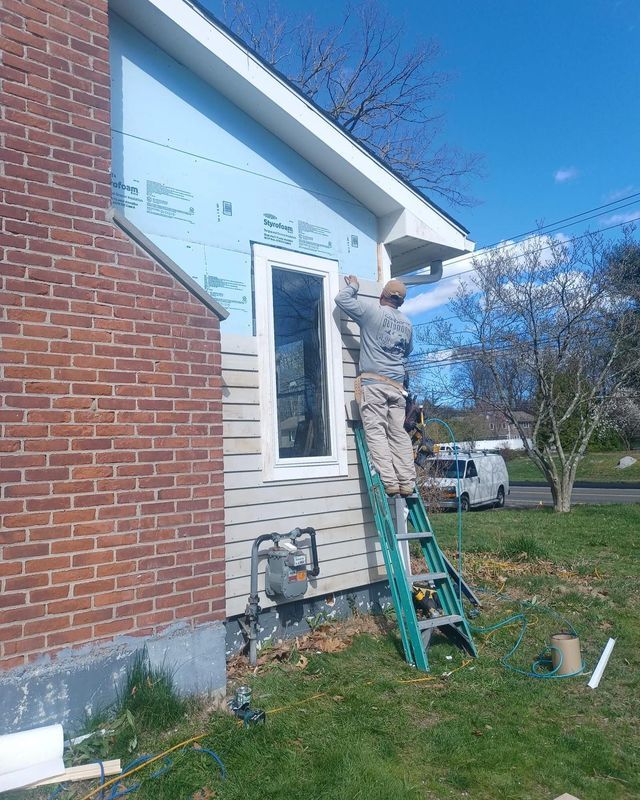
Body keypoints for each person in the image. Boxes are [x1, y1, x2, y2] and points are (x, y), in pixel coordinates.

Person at [335, 275, 416, 496]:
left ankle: (391, 482)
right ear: (401, 302)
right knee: (398, 433)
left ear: (382, 296)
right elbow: (407, 351)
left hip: (374, 384)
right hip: (397, 386)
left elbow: (341, 299)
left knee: (377, 432)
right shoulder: (407, 324)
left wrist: (353, 286)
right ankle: (407, 482)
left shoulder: (372, 312)